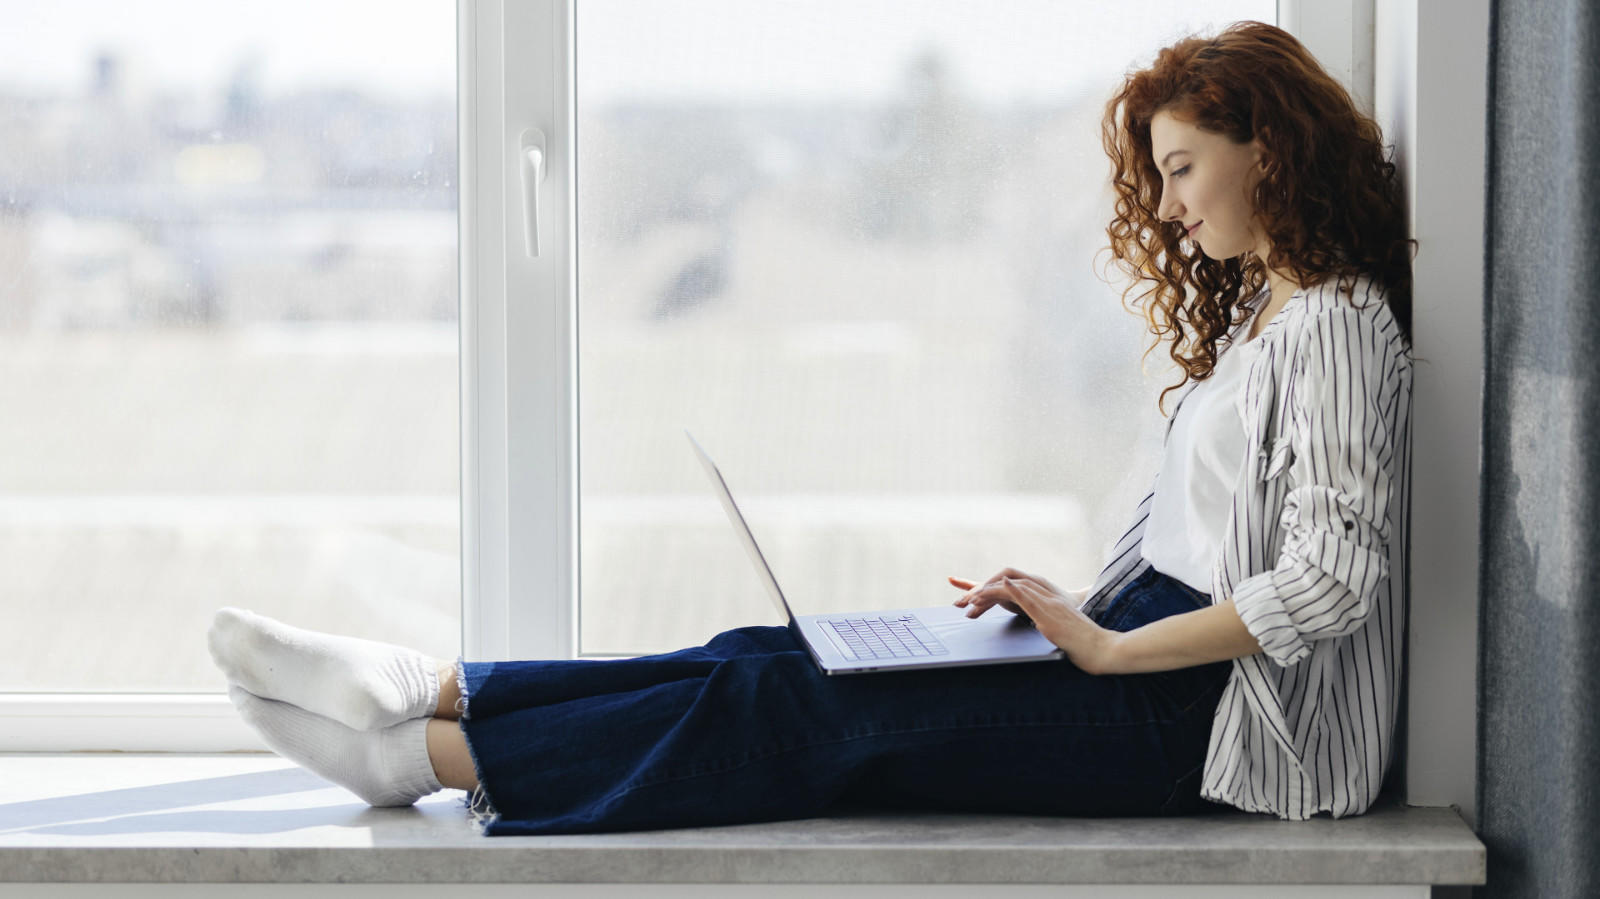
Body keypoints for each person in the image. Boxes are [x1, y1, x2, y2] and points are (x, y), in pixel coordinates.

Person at [207, 19, 1415, 833]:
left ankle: (421, 759)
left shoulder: (1343, 326)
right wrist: (1074, 612)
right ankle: (441, 687)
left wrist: (1098, 651)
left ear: (1272, 150)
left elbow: (1334, 579)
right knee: (773, 650)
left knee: (810, 708)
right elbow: (1207, 540)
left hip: (1215, 724)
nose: (1165, 204)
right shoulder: (1268, 315)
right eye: (1158, 173)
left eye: (1183, 167)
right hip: (1153, 645)